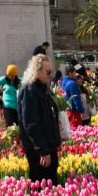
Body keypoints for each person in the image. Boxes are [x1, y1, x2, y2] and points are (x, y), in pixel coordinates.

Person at [17, 54, 61, 184]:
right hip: (39, 150)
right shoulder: (29, 90)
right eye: (48, 71)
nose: (50, 74)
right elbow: (31, 124)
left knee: (51, 185)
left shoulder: (42, 88)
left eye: (51, 71)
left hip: (48, 145)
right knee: (42, 186)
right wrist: (43, 151)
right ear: (37, 71)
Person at [60, 64, 85, 131]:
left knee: (71, 131)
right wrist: (81, 110)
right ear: (70, 73)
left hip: (67, 111)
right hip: (74, 112)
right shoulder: (72, 83)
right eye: (74, 72)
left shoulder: (62, 83)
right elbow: (76, 99)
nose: (75, 74)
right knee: (77, 131)